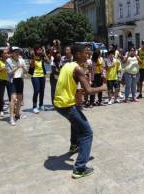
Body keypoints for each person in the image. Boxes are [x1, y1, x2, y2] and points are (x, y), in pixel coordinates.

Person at [54, 43, 107, 179]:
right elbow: (89, 90)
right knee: (87, 133)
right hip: (66, 105)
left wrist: (77, 91)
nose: (88, 55)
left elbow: (65, 84)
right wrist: (103, 87)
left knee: (75, 121)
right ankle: (79, 168)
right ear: (78, 54)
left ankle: (74, 145)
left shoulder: (67, 65)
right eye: (86, 52)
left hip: (60, 103)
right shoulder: (78, 69)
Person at [6, 47, 27, 126]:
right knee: (13, 99)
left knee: (20, 98)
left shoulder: (21, 60)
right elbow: (9, 73)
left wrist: (24, 68)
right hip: (12, 80)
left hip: (20, 80)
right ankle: (11, 118)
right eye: (16, 52)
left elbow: (26, 71)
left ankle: (17, 114)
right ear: (12, 53)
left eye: (18, 52)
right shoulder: (8, 61)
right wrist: (17, 67)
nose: (18, 54)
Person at [29, 46, 50, 113]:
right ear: (35, 50)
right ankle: (34, 107)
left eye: (41, 49)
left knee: (42, 91)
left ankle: (41, 105)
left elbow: (48, 62)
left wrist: (44, 53)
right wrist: (34, 57)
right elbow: (31, 66)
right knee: (36, 91)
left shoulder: (42, 57)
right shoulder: (32, 57)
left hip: (42, 76)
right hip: (35, 76)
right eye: (38, 49)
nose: (40, 51)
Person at [0, 48, 11, 116]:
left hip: (8, 80)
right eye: (5, 53)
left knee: (10, 95)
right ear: (1, 54)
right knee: (1, 96)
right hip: (1, 80)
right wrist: (2, 69)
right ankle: (1, 110)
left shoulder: (9, 61)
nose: (7, 54)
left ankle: (12, 109)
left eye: (7, 53)